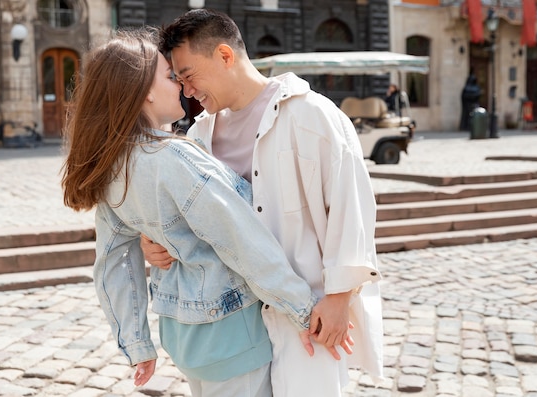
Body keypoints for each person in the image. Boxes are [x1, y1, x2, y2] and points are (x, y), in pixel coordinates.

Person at [60, 28, 324, 397]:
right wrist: (302, 307)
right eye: (171, 77)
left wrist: (136, 342)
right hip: (230, 331)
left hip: (181, 333)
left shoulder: (112, 167)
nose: (183, 88)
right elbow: (239, 235)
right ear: (145, 92)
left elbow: (111, 264)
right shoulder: (173, 157)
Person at [143, 9, 384, 396]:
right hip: (233, 325)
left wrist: (339, 297)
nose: (187, 92)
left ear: (224, 55)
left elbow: (351, 206)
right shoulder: (199, 135)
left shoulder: (312, 114)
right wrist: (154, 241)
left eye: (188, 75)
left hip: (307, 314)